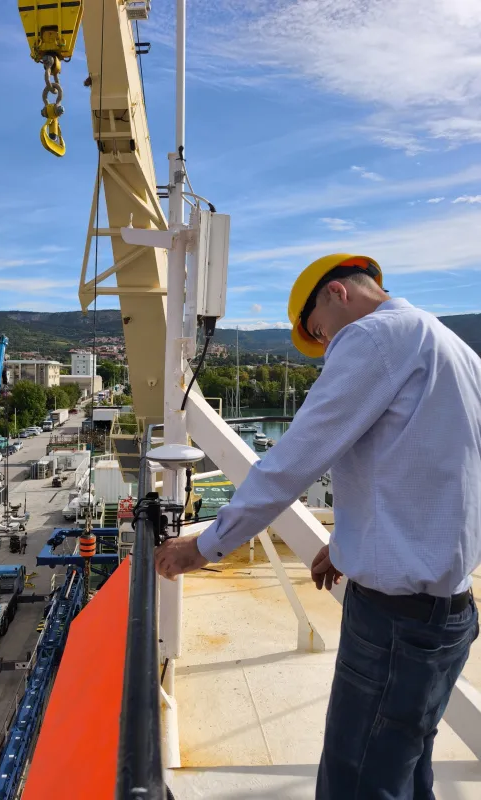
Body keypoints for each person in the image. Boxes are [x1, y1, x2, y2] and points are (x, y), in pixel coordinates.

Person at [154, 253, 481, 800]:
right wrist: (349, 542)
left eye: (320, 332)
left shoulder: (372, 338)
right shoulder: (456, 350)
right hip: (450, 618)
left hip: (395, 626)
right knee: (405, 771)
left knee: (356, 783)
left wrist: (206, 547)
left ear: (337, 293)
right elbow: (442, 474)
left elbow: (291, 461)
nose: (327, 347)